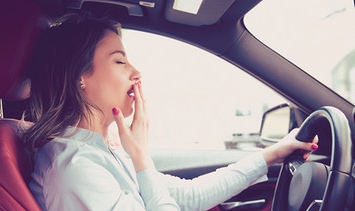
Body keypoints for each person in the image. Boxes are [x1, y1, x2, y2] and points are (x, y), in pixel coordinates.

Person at [23, 13, 318, 211]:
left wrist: (272, 154)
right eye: (119, 61)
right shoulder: (73, 169)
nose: (137, 73)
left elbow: (189, 195)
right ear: (79, 77)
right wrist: (140, 156)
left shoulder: (98, 152)